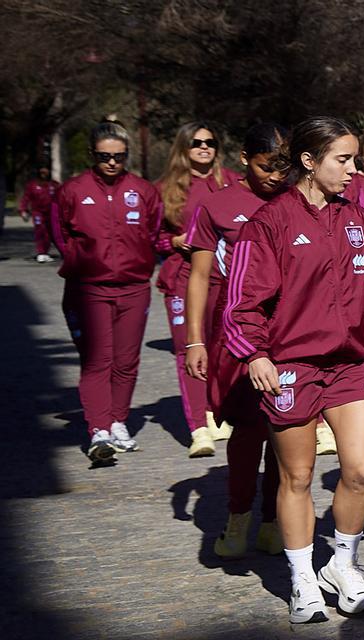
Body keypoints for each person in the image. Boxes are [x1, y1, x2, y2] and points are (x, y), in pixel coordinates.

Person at [223, 116, 364, 623]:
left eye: (356, 160)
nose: (353, 170)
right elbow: (240, 306)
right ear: (309, 161)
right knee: (296, 477)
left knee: (360, 470)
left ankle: (342, 565)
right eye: (343, 160)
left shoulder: (357, 219)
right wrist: (255, 355)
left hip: (351, 364)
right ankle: (301, 578)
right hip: (291, 365)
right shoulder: (268, 224)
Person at [184, 122, 291, 558]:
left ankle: (273, 520)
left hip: (290, 330)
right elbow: (199, 276)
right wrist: (194, 341)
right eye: (266, 168)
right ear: (245, 159)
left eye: (282, 169)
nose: (274, 177)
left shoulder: (297, 200)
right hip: (239, 333)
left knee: (286, 430)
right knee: (248, 431)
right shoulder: (218, 206)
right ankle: (238, 516)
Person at [51, 121, 160, 464]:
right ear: (92, 155)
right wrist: (78, 259)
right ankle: (98, 430)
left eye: (119, 156)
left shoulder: (143, 191)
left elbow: (153, 229)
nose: (112, 162)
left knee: (126, 361)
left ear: (126, 155)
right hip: (90, 288)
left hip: (133, 287)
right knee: (99, 360)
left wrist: (141, 258)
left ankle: (117, 422)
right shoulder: (72, 190)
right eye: (104, 156)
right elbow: (59, 231)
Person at [156, 121, 237, 458]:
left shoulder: (230, 182)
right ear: (183, 148)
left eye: (211, 141)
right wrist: (173, 240)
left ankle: (217, 413)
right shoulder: (164, 189)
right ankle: (198, 426)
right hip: (182, 275)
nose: (204, 147)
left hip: (224, 277)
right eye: (196, 143)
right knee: (188, 347)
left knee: (221, 347)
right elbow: (149, 236)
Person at [19, 166, 60, 263]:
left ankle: (45, 252)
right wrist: (23, 210)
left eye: (46, 170)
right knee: (40, 231)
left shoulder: (54, 185)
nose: (44, 172)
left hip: (51, 213)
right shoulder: (32, 185)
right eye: (42, 171)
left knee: (50, 233)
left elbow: (61, 198)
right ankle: (41, 253)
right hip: (37, 212)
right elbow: (26, 198)